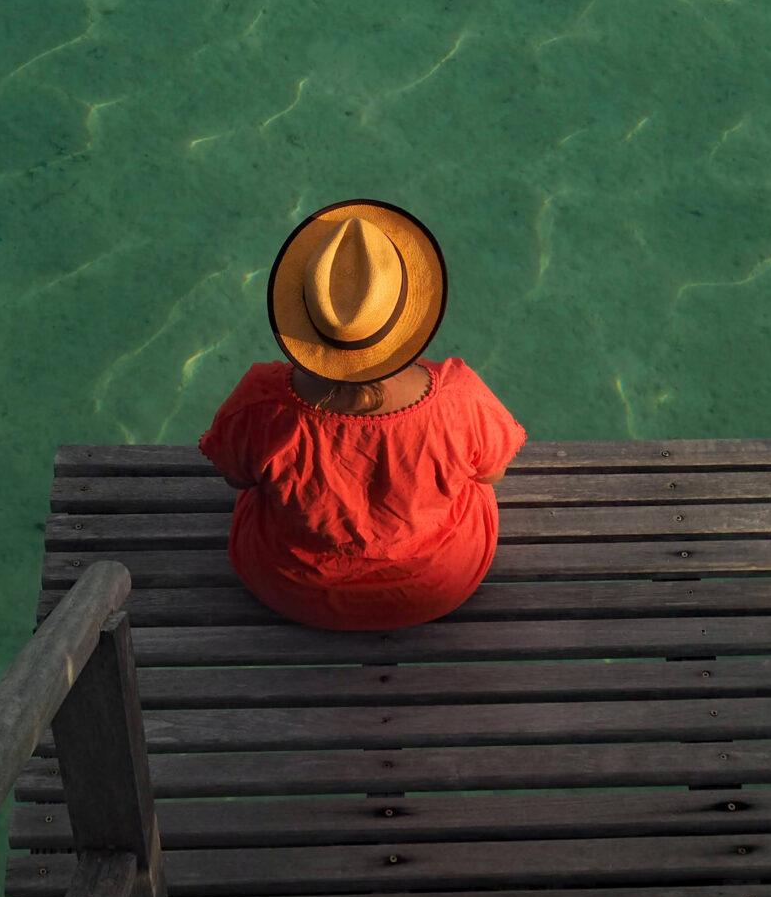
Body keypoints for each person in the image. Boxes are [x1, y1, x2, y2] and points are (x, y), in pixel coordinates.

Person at [197, 198, 528, 630]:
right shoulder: (458, 399)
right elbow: (492, 474)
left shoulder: (261, 403)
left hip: (295, 588)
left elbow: (236, 478)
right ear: (408, 317)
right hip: (436, 583)